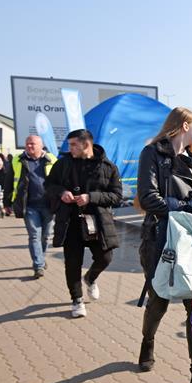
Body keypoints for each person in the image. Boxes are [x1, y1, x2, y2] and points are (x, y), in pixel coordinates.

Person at [135, 107, 192, 383]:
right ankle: (148, 341)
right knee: (159, 300)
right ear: (183, 125)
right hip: (160, 240)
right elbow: (147, 198)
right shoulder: (152, 153)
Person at [45, 129, 122, 318]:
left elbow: (117, 196)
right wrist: (61, 192)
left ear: (86, 144)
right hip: (70, 221)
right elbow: (49, 185)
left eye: (73, 145)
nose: (69, 148)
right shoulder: (63, 164)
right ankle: (77, 300)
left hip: (98, 222)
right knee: (72, 263)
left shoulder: (108, 167)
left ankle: (90, 278)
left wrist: (91, 197)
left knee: (105, 258)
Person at [3, 135, 57, 278]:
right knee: (34, 236)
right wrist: (7, 203)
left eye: (32, 144)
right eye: (27, 144)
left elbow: (61, 181)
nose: (29, 146)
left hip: (49, 205)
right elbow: (8, 182)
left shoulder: (51, 159)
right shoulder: (17, 160)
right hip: (29, 206)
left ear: (41, 145)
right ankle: (38, 265)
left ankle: (41, 257)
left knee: (45, 237)